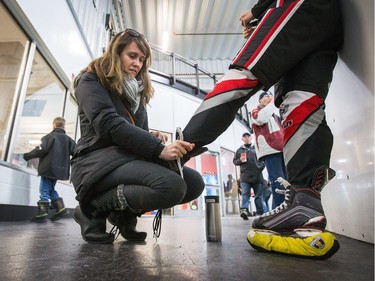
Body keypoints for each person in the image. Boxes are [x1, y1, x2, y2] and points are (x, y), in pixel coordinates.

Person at [177, 0, 342, 236]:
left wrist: (256, 11)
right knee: (301, 105)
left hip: (298, 5)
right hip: (326, 21)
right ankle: (305, 203)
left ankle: (181, 150)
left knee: (242, 76)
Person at [71, 28, 205, 244]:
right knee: (172, 186)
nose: (137, 64)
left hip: (124, 159)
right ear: (116, 54)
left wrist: (151, 137)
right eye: (132, 56)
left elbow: (133, 132)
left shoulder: (137, 93)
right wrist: (158, 149)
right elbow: (109, 124)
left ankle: (123, 215)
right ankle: (90, 210)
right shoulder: (90, 81)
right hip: (95, 163)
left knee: (194, 182)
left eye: (142, 59)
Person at [23, 117, 76, 223]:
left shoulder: (48, 137)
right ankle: (60, 208)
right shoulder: (69, 140)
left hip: (48, 169)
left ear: (54, 125)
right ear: (64, 126)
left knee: (44, 189)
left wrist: (28, 155)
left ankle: (42, 213)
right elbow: (76, 152)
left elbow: (41, 150)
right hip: (59, 171)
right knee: (50, 188)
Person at [251, 90, 287, 209]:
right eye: (265, 96)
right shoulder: (256, 111)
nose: (269, 98)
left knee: (287, 183)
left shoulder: (275, 114)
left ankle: (284, 208)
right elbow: (260, 119)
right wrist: (272, 104)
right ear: (260, 100)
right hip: (270, 150)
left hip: (283, 149)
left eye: (270, 96)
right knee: (278, 182)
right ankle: (278, 210)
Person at [233, 132, 265, 220]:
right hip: (245, 177)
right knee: (245, 194)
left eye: (248, 136)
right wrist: (240, 159)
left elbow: (263, 160)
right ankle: (244, 211)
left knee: (258, 196)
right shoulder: (239, 150)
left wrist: (259, 168)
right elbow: (235, 162)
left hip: (257, 176)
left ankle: (260, 213)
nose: (246, 138)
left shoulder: (257, 148)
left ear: (251, 138)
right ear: (242, 139)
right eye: (244, 137)